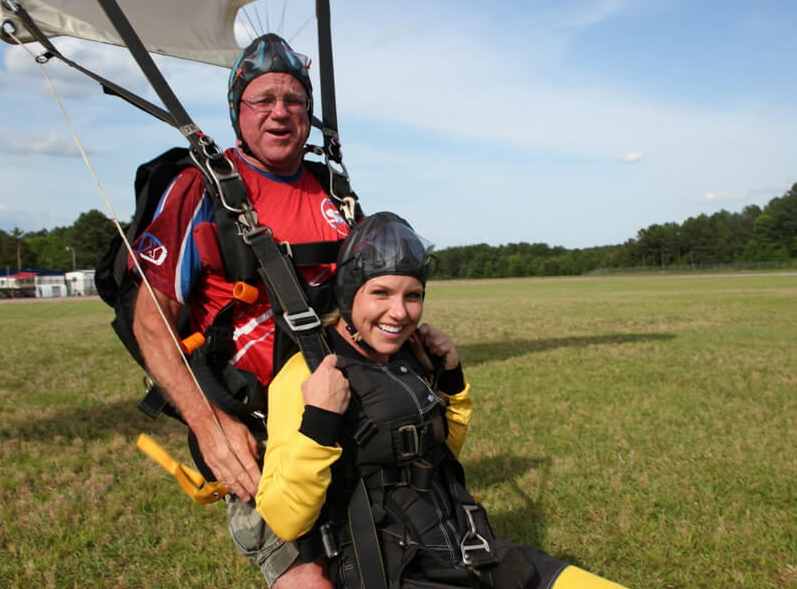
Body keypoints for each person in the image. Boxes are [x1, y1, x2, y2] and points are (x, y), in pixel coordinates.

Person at [254, 212, 627, 588]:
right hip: (396, 573)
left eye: (412, 296)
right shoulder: (308, 375)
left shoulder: (406, 359)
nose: (399, 313)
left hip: (471, 551)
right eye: (381, 293)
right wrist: (319, 420)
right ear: (350, 294)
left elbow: (443, 451)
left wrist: (449, 378)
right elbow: (285, 519)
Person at [131, 33, 348, 588]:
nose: (280, 112)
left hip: (343, 416)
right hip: (262, 434)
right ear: (238, 112)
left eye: (294, 100)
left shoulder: (333, 191)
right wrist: (209, 425)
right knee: (310, 580)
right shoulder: (202, 189)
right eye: (263, 99)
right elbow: (150, 320)